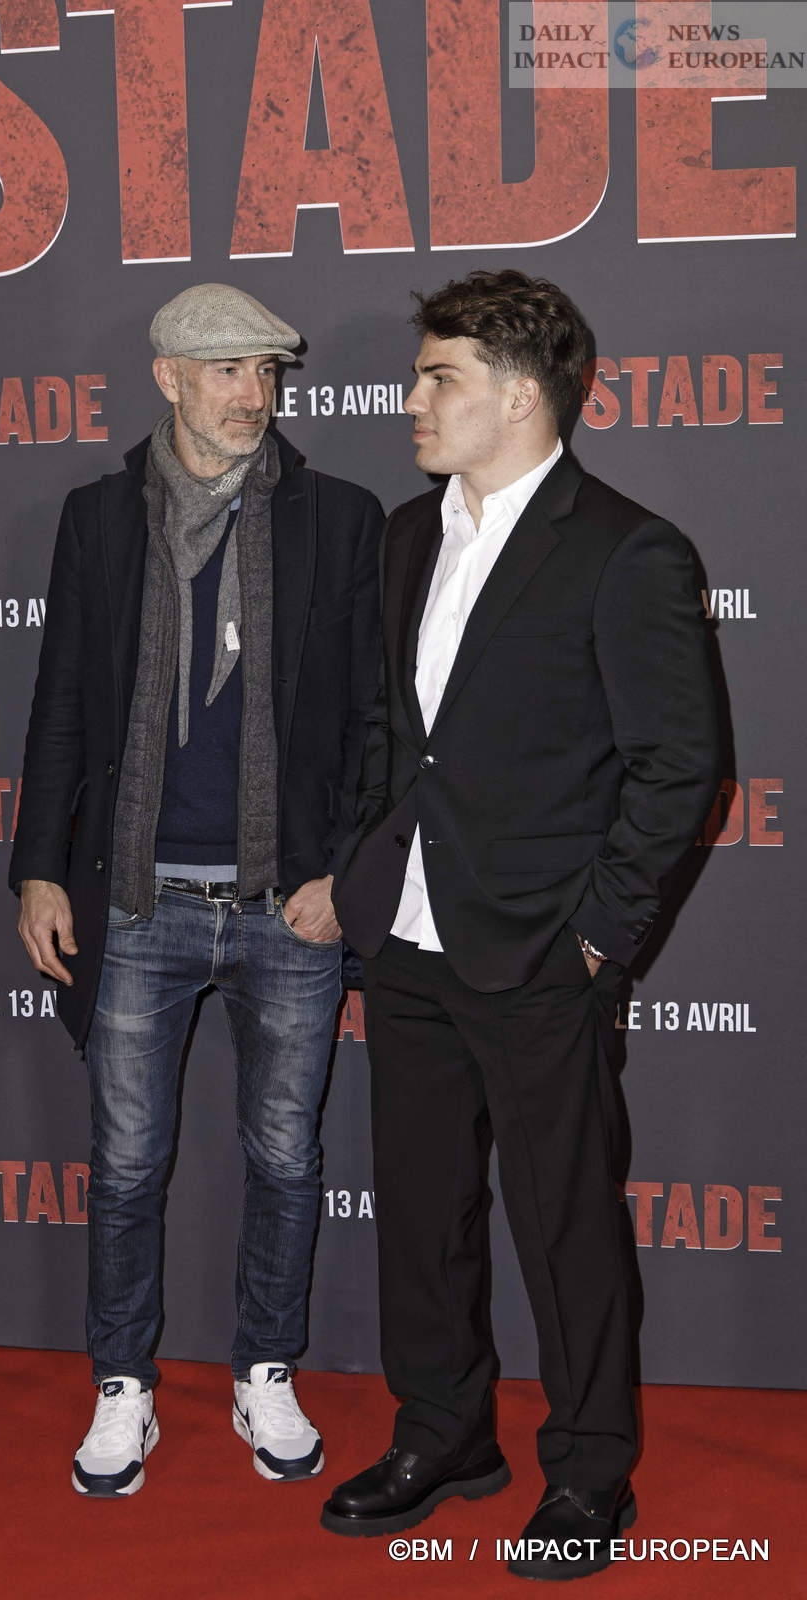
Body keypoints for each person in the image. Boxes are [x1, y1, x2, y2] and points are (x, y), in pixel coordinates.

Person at [321, 270, 719, 1580]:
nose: (412, 398)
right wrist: (363, 870)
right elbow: (391, 737)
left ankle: (591, 1471)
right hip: (410, 940)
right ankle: (443, 1435)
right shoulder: (404, 537)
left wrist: (598, 937)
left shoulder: (627, 550)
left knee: (565, 1228)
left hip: (544, 950)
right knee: (421, 1213)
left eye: (438, 377)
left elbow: (680, 766)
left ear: (521, 396)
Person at [12, 283, 382, 1497]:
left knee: (285, 1156)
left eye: (266, 372)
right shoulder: (98, 519)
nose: (253, 395)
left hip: (290, 904)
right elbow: (61, 702)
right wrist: (38, 867)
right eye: (227, 371)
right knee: (125, 1164)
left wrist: (346, 873)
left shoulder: (340, 518)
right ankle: (123, 1383)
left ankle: (266, 1368)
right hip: (135, 897)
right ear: (167, 376)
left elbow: (376, 721)